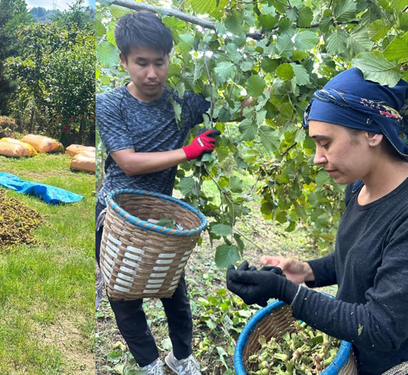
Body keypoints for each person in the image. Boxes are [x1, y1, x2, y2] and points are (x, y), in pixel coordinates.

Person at [226, 68, 408, 375]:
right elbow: (360, 259)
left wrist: (287, 292)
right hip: (348, 355)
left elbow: (383, 327)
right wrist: (307, 273)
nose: (316, 158)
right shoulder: (359, 187)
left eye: (325, 143)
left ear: (373, 133)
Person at [96, 10, 221, 375]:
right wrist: (189, 150)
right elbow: (128, 162)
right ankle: (149, 364)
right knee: (124, 297)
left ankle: (180, 358)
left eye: (159, 62)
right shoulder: (110, 104)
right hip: (118, 216)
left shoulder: (180, 103)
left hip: (161, 217)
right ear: (123, 60)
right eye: (141, 63)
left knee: (174, 293)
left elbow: (228, 111)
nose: (152, 73)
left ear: (170, 59)